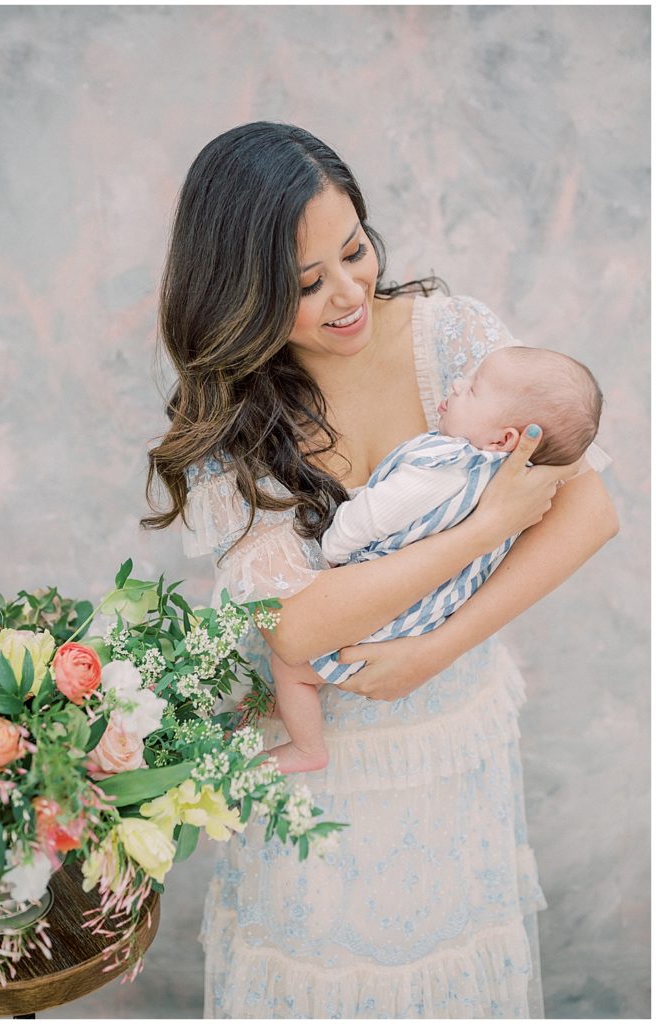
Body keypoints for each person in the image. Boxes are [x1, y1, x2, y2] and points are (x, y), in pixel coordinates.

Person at [143, 122, 617, 1019]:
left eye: (355, 250)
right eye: (307, 283)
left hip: (452, 745)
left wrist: (435, 650)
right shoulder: (232, 420)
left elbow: (589, 511)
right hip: (315, 768)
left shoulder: (456, 338)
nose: (349, 292)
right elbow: (300, 627)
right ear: (242, 294)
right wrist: (489, 526)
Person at [268, 346, 604, 774]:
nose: (457, 384)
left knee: (291, 666)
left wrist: (331, 549)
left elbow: (372, 515)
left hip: (380, 607)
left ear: (504, 439)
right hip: (426, 609)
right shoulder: (516, 479)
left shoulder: (441, 467)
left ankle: (306, 747)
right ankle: (296, 705)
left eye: (473, 389)